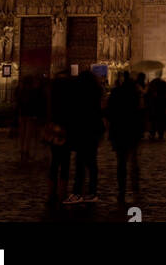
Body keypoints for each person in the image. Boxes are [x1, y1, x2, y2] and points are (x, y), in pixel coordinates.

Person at [64, 70, 105, 205]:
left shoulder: (78, 95)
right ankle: (92, 192)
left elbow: (73, 115)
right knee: (92, 163)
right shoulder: (96, 94)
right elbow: (99, 114)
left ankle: (77, 192)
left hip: (81, 131)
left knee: (80, 163)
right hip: (93, 131)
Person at [107, 71, 143, 206]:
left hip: (119, 131)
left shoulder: (115, 93)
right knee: (133, 160)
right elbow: (140, 112)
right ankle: (135, 185)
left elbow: (109, 111)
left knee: (121, 162)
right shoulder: (135, 94)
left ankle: (122, 188)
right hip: (132, 131)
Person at [44, 68, 73, 205]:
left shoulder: (52, 93)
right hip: (67, 130)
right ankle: (62, 193)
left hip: (54, 129)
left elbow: (47, 111)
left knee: (54, 162)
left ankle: (51, 192)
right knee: (65, 162)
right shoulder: (70, 94)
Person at [15, 73, 45, 162]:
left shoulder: (20, 91)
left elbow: (18, 103)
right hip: (30, 114)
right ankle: (26, 150)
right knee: (28, 134)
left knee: (22, 133)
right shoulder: (33, 91)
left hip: (22, 114)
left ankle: (22, 149)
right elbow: (35, 104)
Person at [146, 75, 166, 141]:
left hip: (155, 108)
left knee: (154, 121)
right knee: (160, 121)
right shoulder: (163, 90)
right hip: (161, 107)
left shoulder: (154, 91)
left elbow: (149, 98)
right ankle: (160, 134)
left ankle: (153, 134)